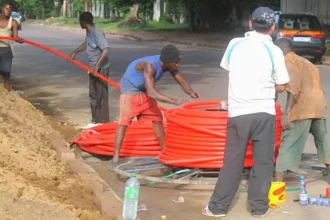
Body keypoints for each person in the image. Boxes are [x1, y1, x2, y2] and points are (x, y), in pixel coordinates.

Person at [202, 7, 289, 218]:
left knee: (232, 161)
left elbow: (229, 67)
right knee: (263, 161)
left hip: (239, 113)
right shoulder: (275, 50)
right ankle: (259, 208)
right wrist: (270, 87)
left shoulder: (234, 44)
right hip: (264, 113)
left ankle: (217, 208)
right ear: (272, 28)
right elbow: (283, 84)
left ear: (250, 24)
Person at [109, 45, 199, 170]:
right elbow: (152, 92)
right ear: (168, 62)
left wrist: (191, 92)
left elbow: (180, 80)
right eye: (175, 63)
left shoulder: (168, 65)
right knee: (123, 123)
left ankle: (165, 153)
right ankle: (115, 159)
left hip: (145, 92)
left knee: (158, 119)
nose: (177, 65)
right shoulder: (149, 65)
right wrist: (174, 101)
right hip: (131, 93)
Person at [274, 38, 330, 182]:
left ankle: (276, 187)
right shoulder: (308, 63)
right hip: (319, 107)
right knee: (324, 145)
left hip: (302, 109)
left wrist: (287, 113)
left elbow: (294, 89)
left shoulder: (288, 61)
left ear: (281, 50)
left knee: (287, 144)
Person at [69, 12, 110, 129]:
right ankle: (95, 120)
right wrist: (75, 52)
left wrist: (97, 66)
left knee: (101, 95)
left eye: (80, 22)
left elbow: (105, 50)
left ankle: (103, 122)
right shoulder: (88, 32)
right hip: (92, 68)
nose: (79, 24)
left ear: (84, 22)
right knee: (93, 95)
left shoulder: (97, 32)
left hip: (101, 68)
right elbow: (86, 44)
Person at [0, 1, 23, 92]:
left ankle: (8, 95)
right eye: (6, 9)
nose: (7, 11)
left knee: (6, 74)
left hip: (6, 51)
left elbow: (15, 37)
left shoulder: (13, 22)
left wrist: (19, 40)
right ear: (2, 9)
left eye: (10, 10)